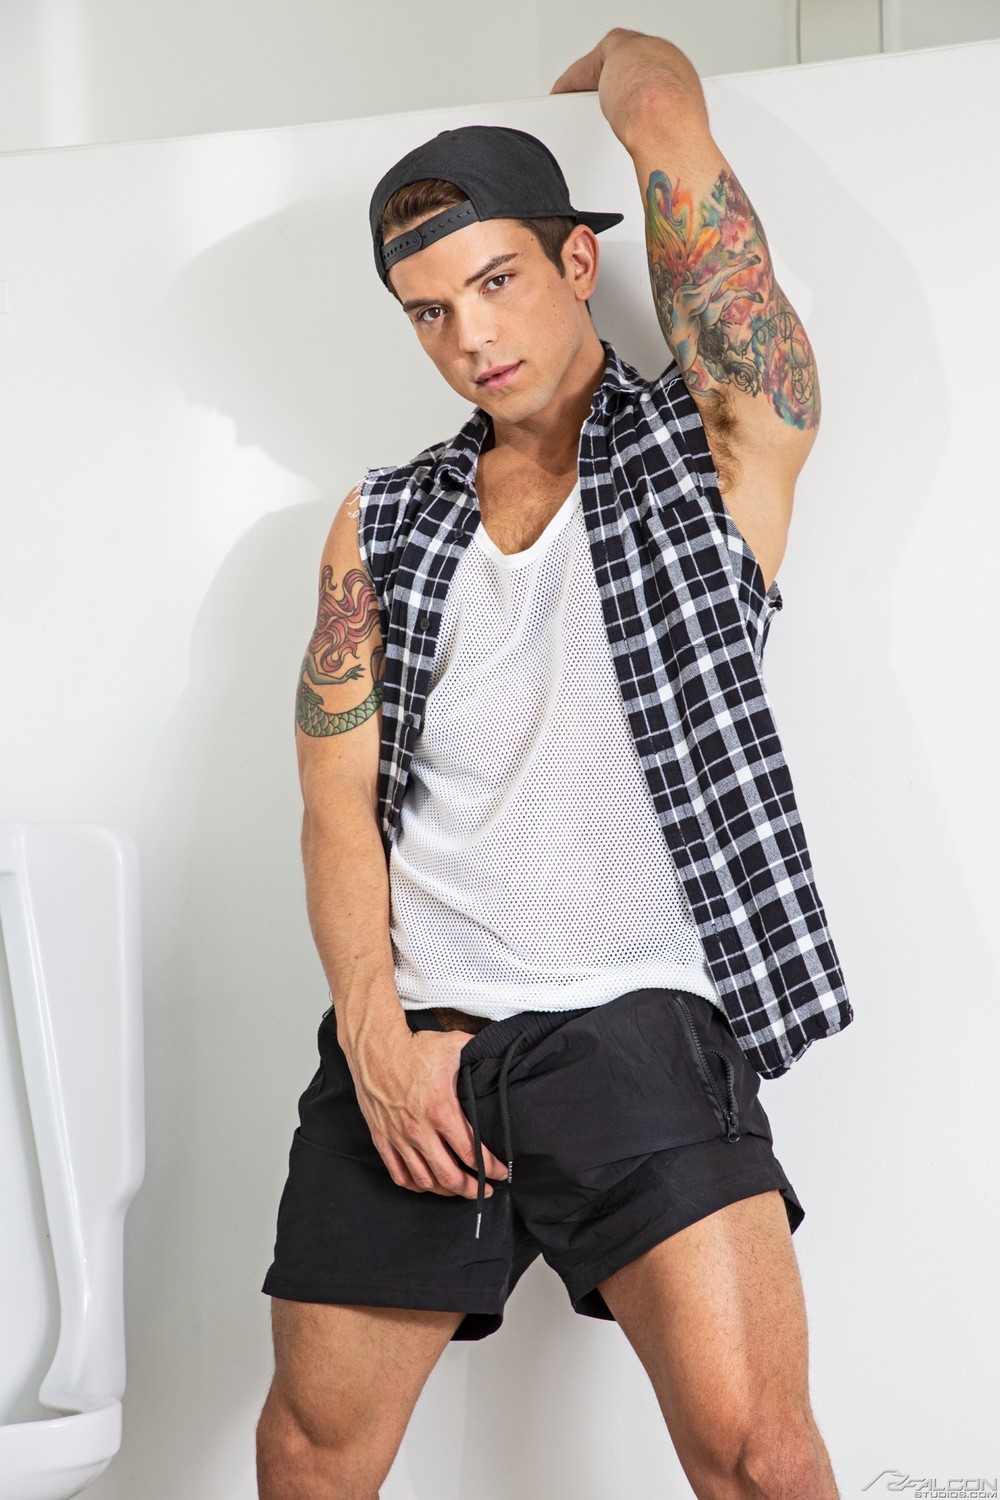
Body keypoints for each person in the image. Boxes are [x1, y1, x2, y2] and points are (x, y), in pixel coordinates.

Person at [257, 26, 852, 1500]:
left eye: (498, 280)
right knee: (312, 1458)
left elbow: (670, 123)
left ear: (580, 262)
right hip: (419, 1043)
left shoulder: (712, 447)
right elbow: (336, 806)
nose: (469, 335)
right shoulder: (383, 521)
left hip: (632, 1029)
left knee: (762, 1456)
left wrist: (620, 67)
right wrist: (376, 1041)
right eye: (428, 310)